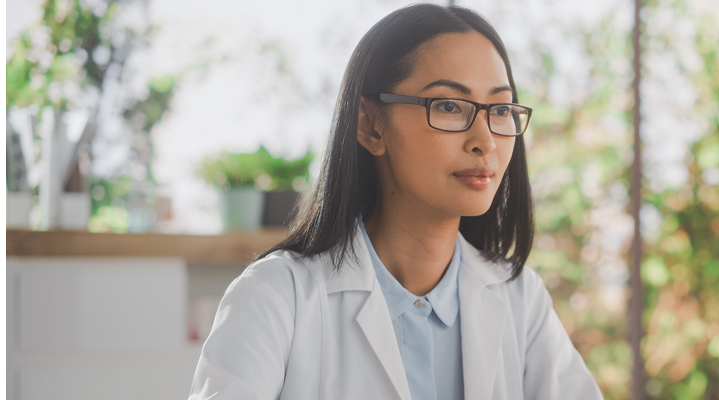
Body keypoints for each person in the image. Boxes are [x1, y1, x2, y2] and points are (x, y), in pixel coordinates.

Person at [188, 5, 603, 400]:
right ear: (370, 124)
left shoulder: (520, 299)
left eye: (499, 108)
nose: (486, 141)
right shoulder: (277, 296)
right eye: (448, 106)